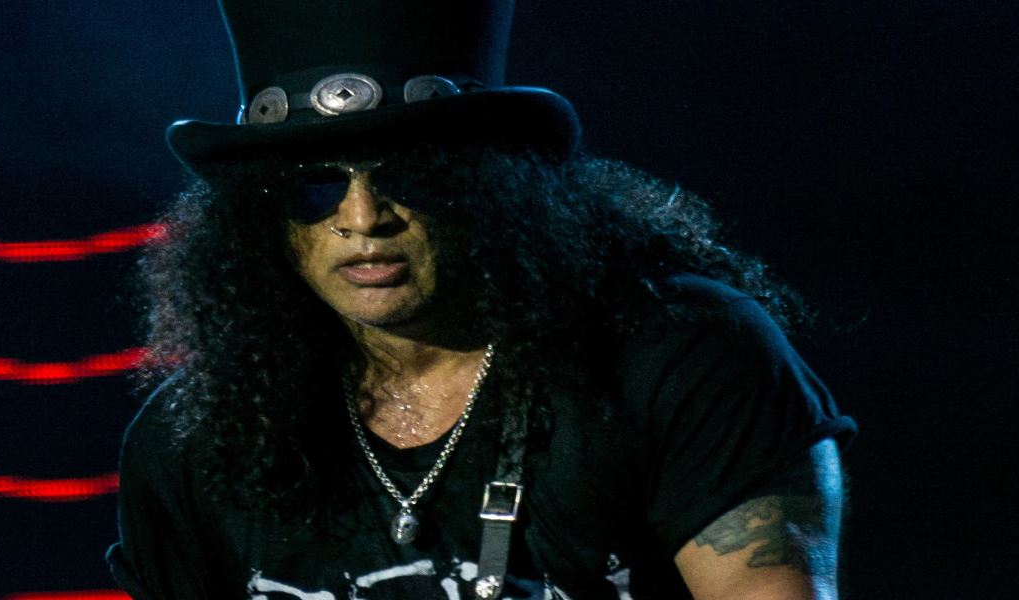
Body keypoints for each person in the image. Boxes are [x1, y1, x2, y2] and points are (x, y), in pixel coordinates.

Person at [107, 1, 857, 599]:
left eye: (411, 176)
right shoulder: (194, 438)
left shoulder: (679, 355)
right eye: (314, 186)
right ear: (257, 219)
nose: (363, 218)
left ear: (489, 185)